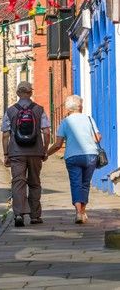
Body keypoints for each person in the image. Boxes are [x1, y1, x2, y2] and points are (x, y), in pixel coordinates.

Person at [1, 81, 51, 227]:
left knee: (18, 183)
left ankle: (18, 215)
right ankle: (35, 216)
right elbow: (46, 132)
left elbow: (5, 135)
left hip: (16, 153)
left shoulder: (10, 111)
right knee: (35, 183)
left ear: (17, 93)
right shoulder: (39, 110)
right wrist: (45, 149)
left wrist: (6, 154)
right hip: (36, 152)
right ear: (31, 93)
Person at [48, 94, 101, 224]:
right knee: (85, 183)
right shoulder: (89, 119)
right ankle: (83, 211)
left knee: (76, 183)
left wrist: (46, 154)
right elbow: (97, 138)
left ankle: (78, 213)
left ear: (68, 109)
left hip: (72, 157)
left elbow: (58, 144)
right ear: (80, 106)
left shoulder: (65, 122)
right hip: (90, 155)